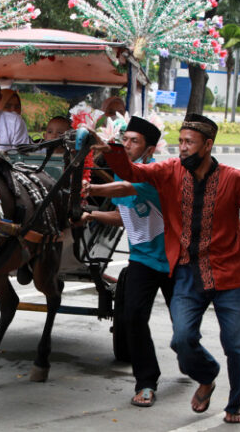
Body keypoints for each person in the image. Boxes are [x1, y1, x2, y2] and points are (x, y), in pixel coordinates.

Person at [93, 113, 240, 424]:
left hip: (230, 275)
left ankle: (234, 404)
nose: (182, 148)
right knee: (181, 340)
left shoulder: (235, 179)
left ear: (207, 145)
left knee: (239, 345)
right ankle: (207, 375)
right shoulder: (169, 171)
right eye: (179, 142)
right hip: (187, 274)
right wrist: (112, 149)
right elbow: (132, 171)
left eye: (189, 143)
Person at [81, 116, 171, 408]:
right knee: (132, 318)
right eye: (126, 140)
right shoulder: (121, 176)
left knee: (184, 330)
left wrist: (90, 190)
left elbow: (125, 191)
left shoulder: (154, 173)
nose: (128, 145)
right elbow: (123, 217)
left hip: (174, 261)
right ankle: (146, 382)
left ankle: (197, 364)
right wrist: (92, 215)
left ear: (150, 149)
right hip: (142, 260)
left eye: (135, 141)